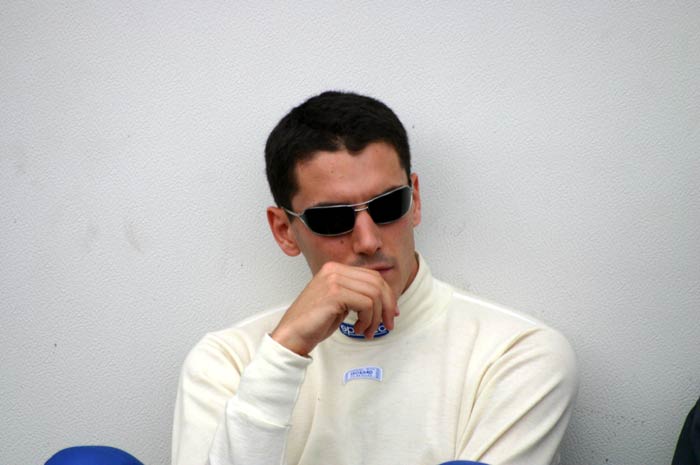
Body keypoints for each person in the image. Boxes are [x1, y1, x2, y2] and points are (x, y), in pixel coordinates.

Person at [171, 91, 578, 465]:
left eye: (388, 205)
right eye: (332, 218)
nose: (367, 240)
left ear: (415, 200)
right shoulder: (227, 361)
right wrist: (285, 351)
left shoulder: (516, 353)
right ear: (284, 231)